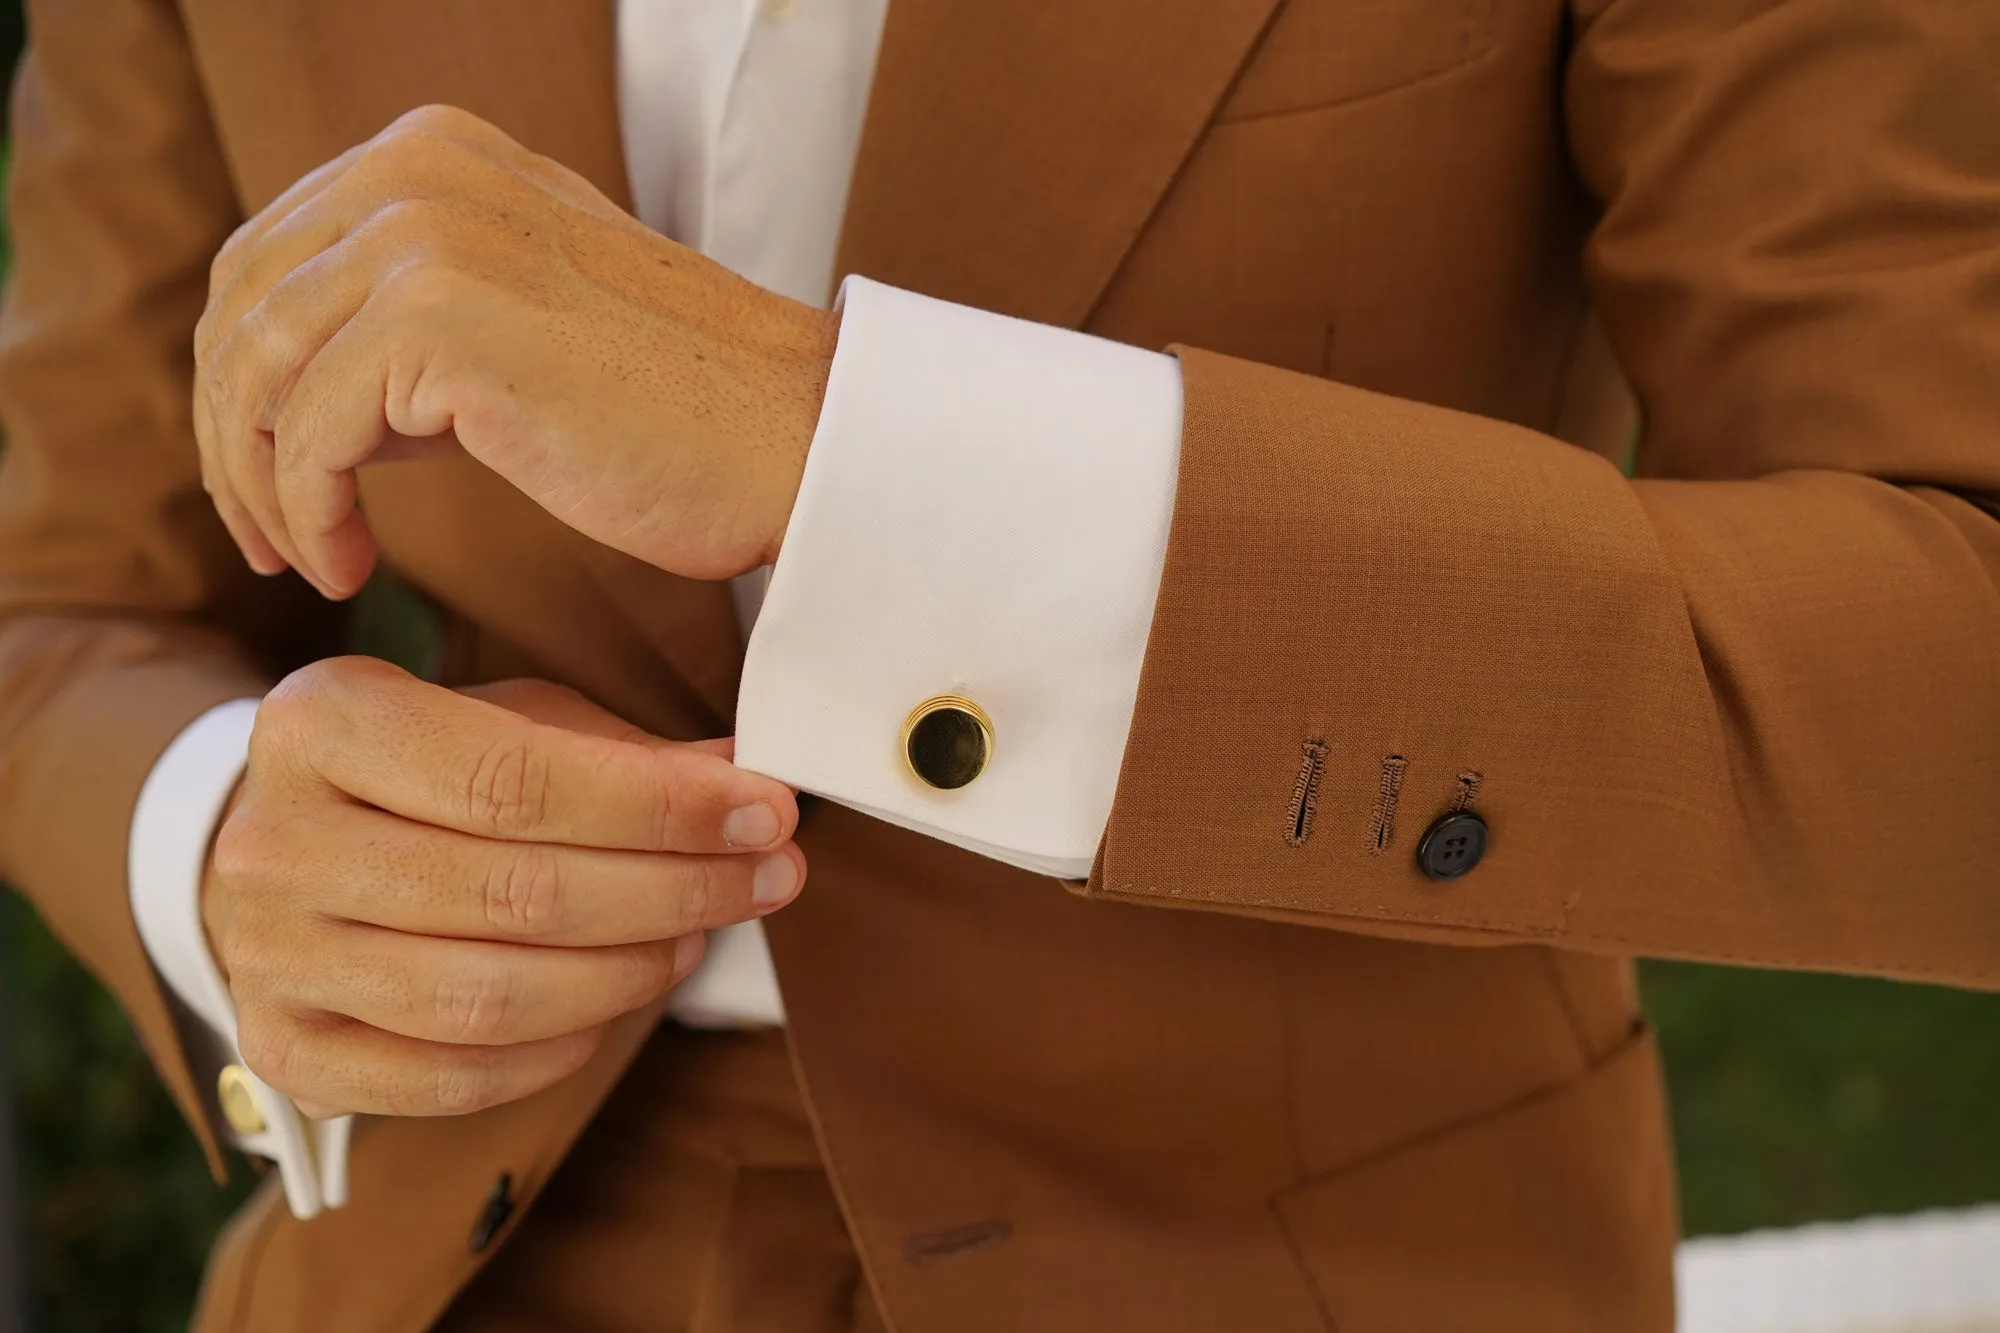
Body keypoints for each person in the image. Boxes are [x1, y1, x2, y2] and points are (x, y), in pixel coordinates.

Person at [1, 0, 1995, 1329]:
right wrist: (212, 841)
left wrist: (847, 448)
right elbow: (60, 617)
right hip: (447, 1259)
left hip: (1313, 1263)